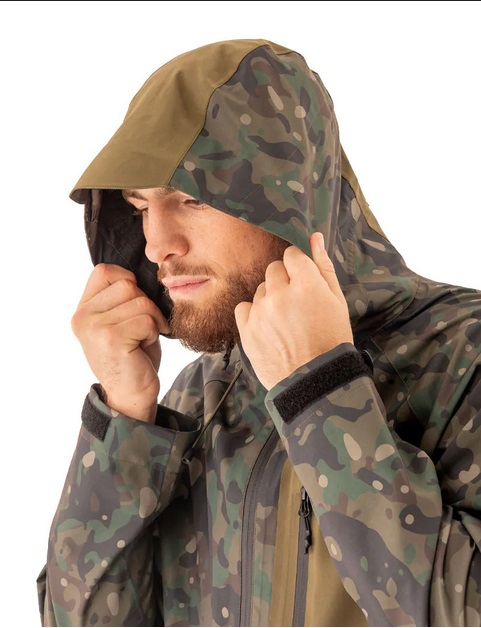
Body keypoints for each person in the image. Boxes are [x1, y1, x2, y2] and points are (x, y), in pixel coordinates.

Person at [37, 38, 481, 627]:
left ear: (289, 196)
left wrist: (322, 391)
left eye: (192, 199)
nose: (156, 245)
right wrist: (122, 422)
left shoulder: (464, 357)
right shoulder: (196, 399)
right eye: (140, 208)